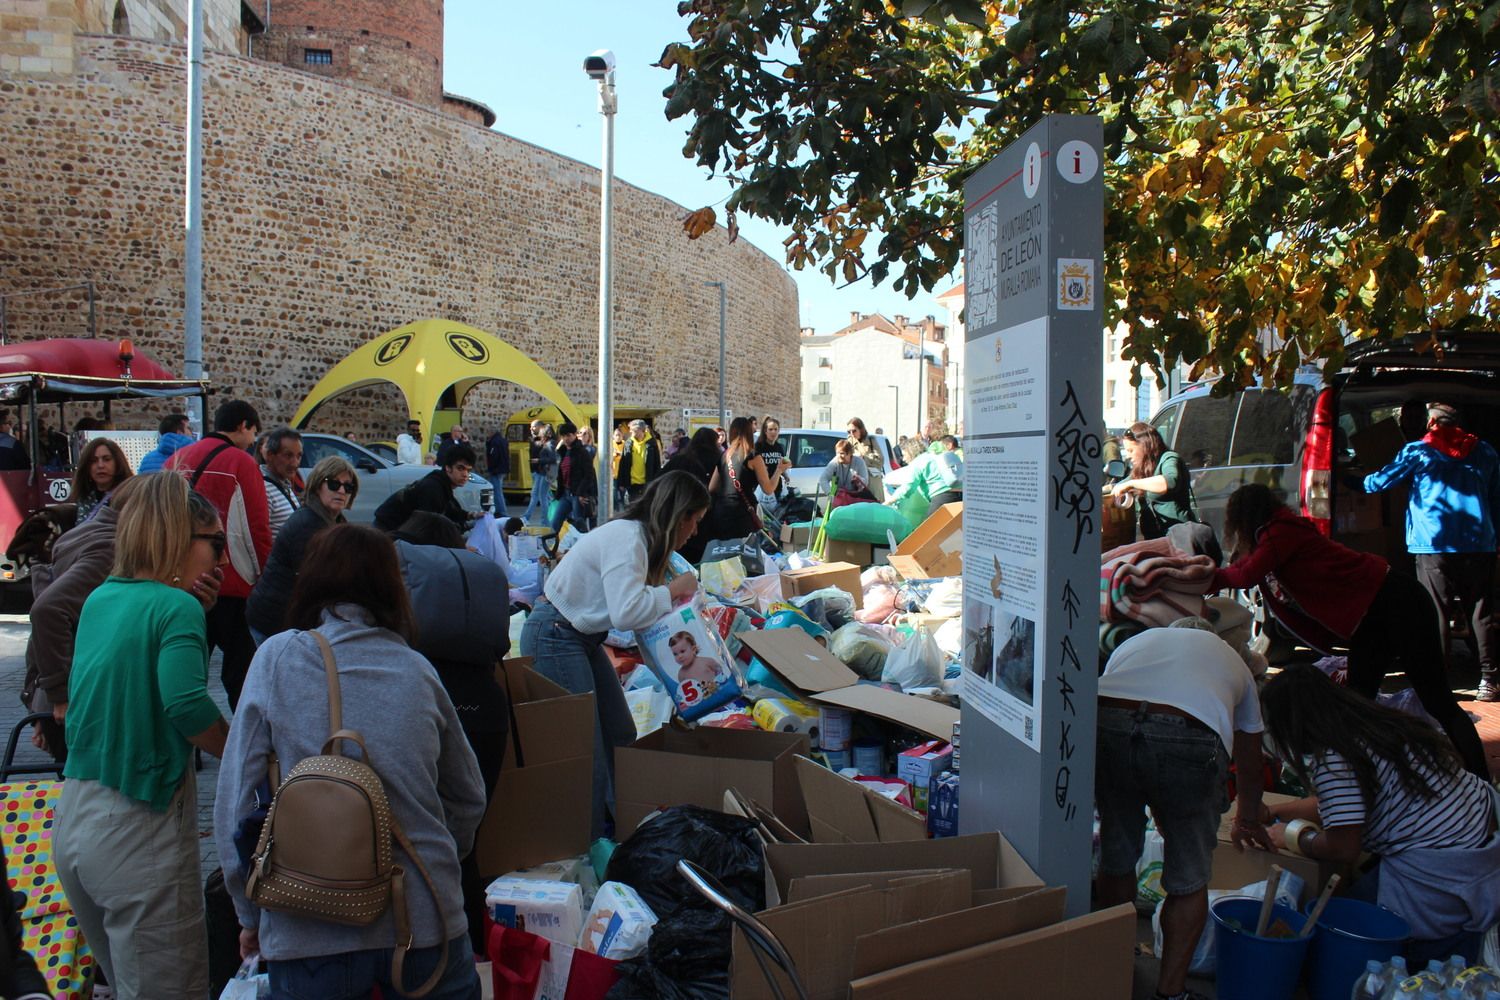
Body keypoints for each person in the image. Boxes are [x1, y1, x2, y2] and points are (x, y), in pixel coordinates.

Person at [216, 524, 486, 999]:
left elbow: (234, 800)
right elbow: (467, 796)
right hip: (424, 921)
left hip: (308, 927)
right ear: (393, 589)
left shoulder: (277, 658)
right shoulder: (418, 669)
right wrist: (429, 858)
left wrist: (249, 912)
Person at [54, 473, 230, 1000]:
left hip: (76, 820)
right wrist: (245, 749)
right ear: (177, 538)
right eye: (214, 544)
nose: (220, 561)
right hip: (139, 826)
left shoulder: (103, 598)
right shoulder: (173, 608)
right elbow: (185, 705)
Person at [1211, 482, 1488, 779]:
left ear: (1244, 517)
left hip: (1396, 602)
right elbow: (1246, 570)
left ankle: (1481, 781)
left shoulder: (1280, 533)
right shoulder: (1277, 533)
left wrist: (1197, 577)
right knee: (1358, 702)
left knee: (1437, 700)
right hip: (1375, 615)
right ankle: (1374, 778)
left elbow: (1243, 575)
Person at [1259, 665, 1499, 965]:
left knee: (1337, 933)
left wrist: (1294, 837)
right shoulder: (1370, 724)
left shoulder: (1333, 757)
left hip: (1444, 871)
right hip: (1479, 838)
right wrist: (1273, 810)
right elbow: (1337, 806)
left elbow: (1343, 846)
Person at [520, 471, 709, 837]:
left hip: (579, 637)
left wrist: (678, 681)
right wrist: (672, 591)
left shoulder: (642, 541)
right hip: (556, 636)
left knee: (619, 732)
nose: (695, 531)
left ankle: (620, 827)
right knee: (587, 753)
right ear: (678, 515)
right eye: (695, 521)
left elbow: (645, 624)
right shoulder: (629, 539)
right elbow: (627, 612)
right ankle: (588, 848)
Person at [1093, 621, 1269, 1000]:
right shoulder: (1234, 662)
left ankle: (1111, 968)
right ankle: (1171, 991)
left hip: (1109, 718)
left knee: (1117, 856)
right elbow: (1252, 763)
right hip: (1190, 730)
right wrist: (1248, 818)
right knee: (1188, 877)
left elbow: (1128, 710)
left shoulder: (1139, 641)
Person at [390, 511, 510, 956]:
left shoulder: (408, 581)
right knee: (469, 844)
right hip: (486, 707)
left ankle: (433, 946)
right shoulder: (473, 579)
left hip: (429, 703)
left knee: (425, 836)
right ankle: (474, 951)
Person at [23, 477, 180, 763]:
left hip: (73, 694)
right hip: (80, 699)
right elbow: (47, 610)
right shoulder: (111, 546)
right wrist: (59, 697)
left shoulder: (93, 531)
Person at [1362, 402, 1500, 701]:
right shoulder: (1486, 451)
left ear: (1432, 423)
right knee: (1481, 610)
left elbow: (1381, 481)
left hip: (1433, 543)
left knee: (1436, 610)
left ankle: (1439, 682)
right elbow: (1495, 498)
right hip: (1479, 543)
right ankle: (1489, 679)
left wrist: (1356, 480)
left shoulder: (1418, 451)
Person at [167, 399, 271, 709]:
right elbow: (256, 528)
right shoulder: (241, 463)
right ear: (243, 427)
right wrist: (263, 573)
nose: (253, 442)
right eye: (253, 434)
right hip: (229, 583)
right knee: (241, 666)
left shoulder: (175, 459)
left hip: (178, 581)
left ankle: (187, 743)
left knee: (188, 664)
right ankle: (246, 737)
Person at [246, 456, 356, 645]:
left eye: (348, 487)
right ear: (317, 485)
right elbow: (314, 581)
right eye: (334, 484)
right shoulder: (308, 524)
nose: (341, 490)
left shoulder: (333, 521)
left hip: (288, 617)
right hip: (275, 620)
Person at [700, 417, 786, 556]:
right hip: (743, 514)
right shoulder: (753, 457)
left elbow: (712, 487)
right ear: (749, 433)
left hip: (721, 512)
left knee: (725, 557)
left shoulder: (724, 455)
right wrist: (779, 470)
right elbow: (768, 489)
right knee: (744, 557)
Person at [1110, 421, 1197, 539]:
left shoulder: (1169, 458)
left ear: (1145, 446)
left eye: (1131, 450)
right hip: (1154, 538)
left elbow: (1170, 482)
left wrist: (1132, 484)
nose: (1128, 456)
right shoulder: (1143, 469)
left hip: (1179, 537)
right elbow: (1119, 486)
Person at [373, 442, 477, 533]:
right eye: (460, 468)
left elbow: (450, 510)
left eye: (468, 470)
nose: (465, 474)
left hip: (397, 529)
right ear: (448, 468)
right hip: (387, 531)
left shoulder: (442, 484)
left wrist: (471, 515)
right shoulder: (433, 488)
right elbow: (429, 528)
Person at [887, 435, 963, 517]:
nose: (903, 459)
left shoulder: (918, 462)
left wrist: (889, 501)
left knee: (931, 528)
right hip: (960, 495)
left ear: (910, 452)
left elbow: (908, 488)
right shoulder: (933, 456)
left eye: (904, 455)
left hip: (943, 498)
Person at [70, 437, 133, 525]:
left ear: (118, 463)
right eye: (94, 461)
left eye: (107, 459)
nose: (100, 465)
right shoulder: (84, 498)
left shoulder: (130, 496)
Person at [259, 427, 304, 540]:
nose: (295, 463)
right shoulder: (263, 490)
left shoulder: (284, 484)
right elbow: (260, 538)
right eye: (288, 455)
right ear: (270, 455)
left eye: (299, 456)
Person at [552, 421, 598, 532]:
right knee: (555, 523)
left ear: (574, 435)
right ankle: (554, 547)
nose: (566, 438)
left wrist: (581, 493)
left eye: (568, 435)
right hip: (565, 494)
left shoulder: (582, 452)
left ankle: (586, 547)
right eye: (563, 436)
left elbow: (589, 475)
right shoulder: (563, 452)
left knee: (579, 526)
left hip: (577, 495)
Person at [615, 418, 662, 504]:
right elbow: (623, 463)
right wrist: (621, 482)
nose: (630, 433)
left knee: (646, 508)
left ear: (640, 430)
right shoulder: (628, 443)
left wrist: (657, 482)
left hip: (647, 483)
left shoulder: (652, 443)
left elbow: (657, 464)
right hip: (632, 484)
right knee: (632, 508)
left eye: (632, 431)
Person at [816, 438, 874, 503]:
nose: (839, 456)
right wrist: (830, 494)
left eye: (841, 453)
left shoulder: (859, 462)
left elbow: (865, 482)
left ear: (849, 453)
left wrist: (859, 480)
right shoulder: (834, 462)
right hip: (840, 497)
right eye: (837, 453)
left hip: (856, 497)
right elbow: (823, 479)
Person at [522, 422, 555, 525]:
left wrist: (539, 460)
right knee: (542, 496)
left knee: (542, 497)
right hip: (541, 472)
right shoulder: (545, 443)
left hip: (545, 473)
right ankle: (534, 518)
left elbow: (552, 458)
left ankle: (545, 520)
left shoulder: (550, 444)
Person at [755, 416, 789, 506]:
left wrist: (785, 475)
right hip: (762, 488)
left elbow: (782, 464)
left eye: (775, 429)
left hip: (777, 487)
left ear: (778, 431)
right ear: (765, 431)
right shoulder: (758, 447)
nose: (773, 432)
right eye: (770, 429)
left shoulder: (780, 447)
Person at [484, 424, 510, 501]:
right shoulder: (503, 440)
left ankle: (502, 511)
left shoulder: (494, 442)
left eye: (488, 432)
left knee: (497, 491)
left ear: (491, 432)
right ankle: (499, 509)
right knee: (498, 490)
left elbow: (493, 456)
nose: (487, 434)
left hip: (496, 470)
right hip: (502, 468)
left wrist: (492, 468)